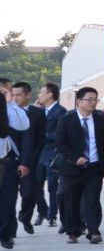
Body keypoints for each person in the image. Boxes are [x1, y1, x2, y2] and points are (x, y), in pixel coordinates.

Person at [55, 87, 104, 245]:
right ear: (79, 101)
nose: (93, 102)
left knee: (92, 200)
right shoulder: (66, 120)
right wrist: (75, 158)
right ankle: (73, 231)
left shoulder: (100, 120)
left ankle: (94, 231)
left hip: (94, 167)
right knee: (71, 200)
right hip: (72, 167)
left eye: (95, 99)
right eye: (89, 99)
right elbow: (60, 143)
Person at [13, 82, 46, 237]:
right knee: (8, 197)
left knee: (28, 193)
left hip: (30, 161)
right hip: (10, 160)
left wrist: (33, 157)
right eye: (13, 95)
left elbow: (41, 138)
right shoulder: (7, 112)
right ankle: (9, 230)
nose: (15, 98)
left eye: (19, 95)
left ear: (28, 95)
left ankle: (25, 217)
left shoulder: (37, 113)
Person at [0, 80, 29, 249]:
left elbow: (23, 125)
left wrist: (9, 103)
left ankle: (5, 235)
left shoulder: (8, 108)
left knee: (8, 200)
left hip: (7, 160)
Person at [34, 83, 65, 228]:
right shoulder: (39, 111)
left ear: (50, 94)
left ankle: (52, 215)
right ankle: (43, 210)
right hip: (39, 153)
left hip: (53, 153)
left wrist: (42, 136)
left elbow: (60, 133)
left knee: (52, 186)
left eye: (41, 92)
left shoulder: (61, 111)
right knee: (35, 184)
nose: (39, 95)